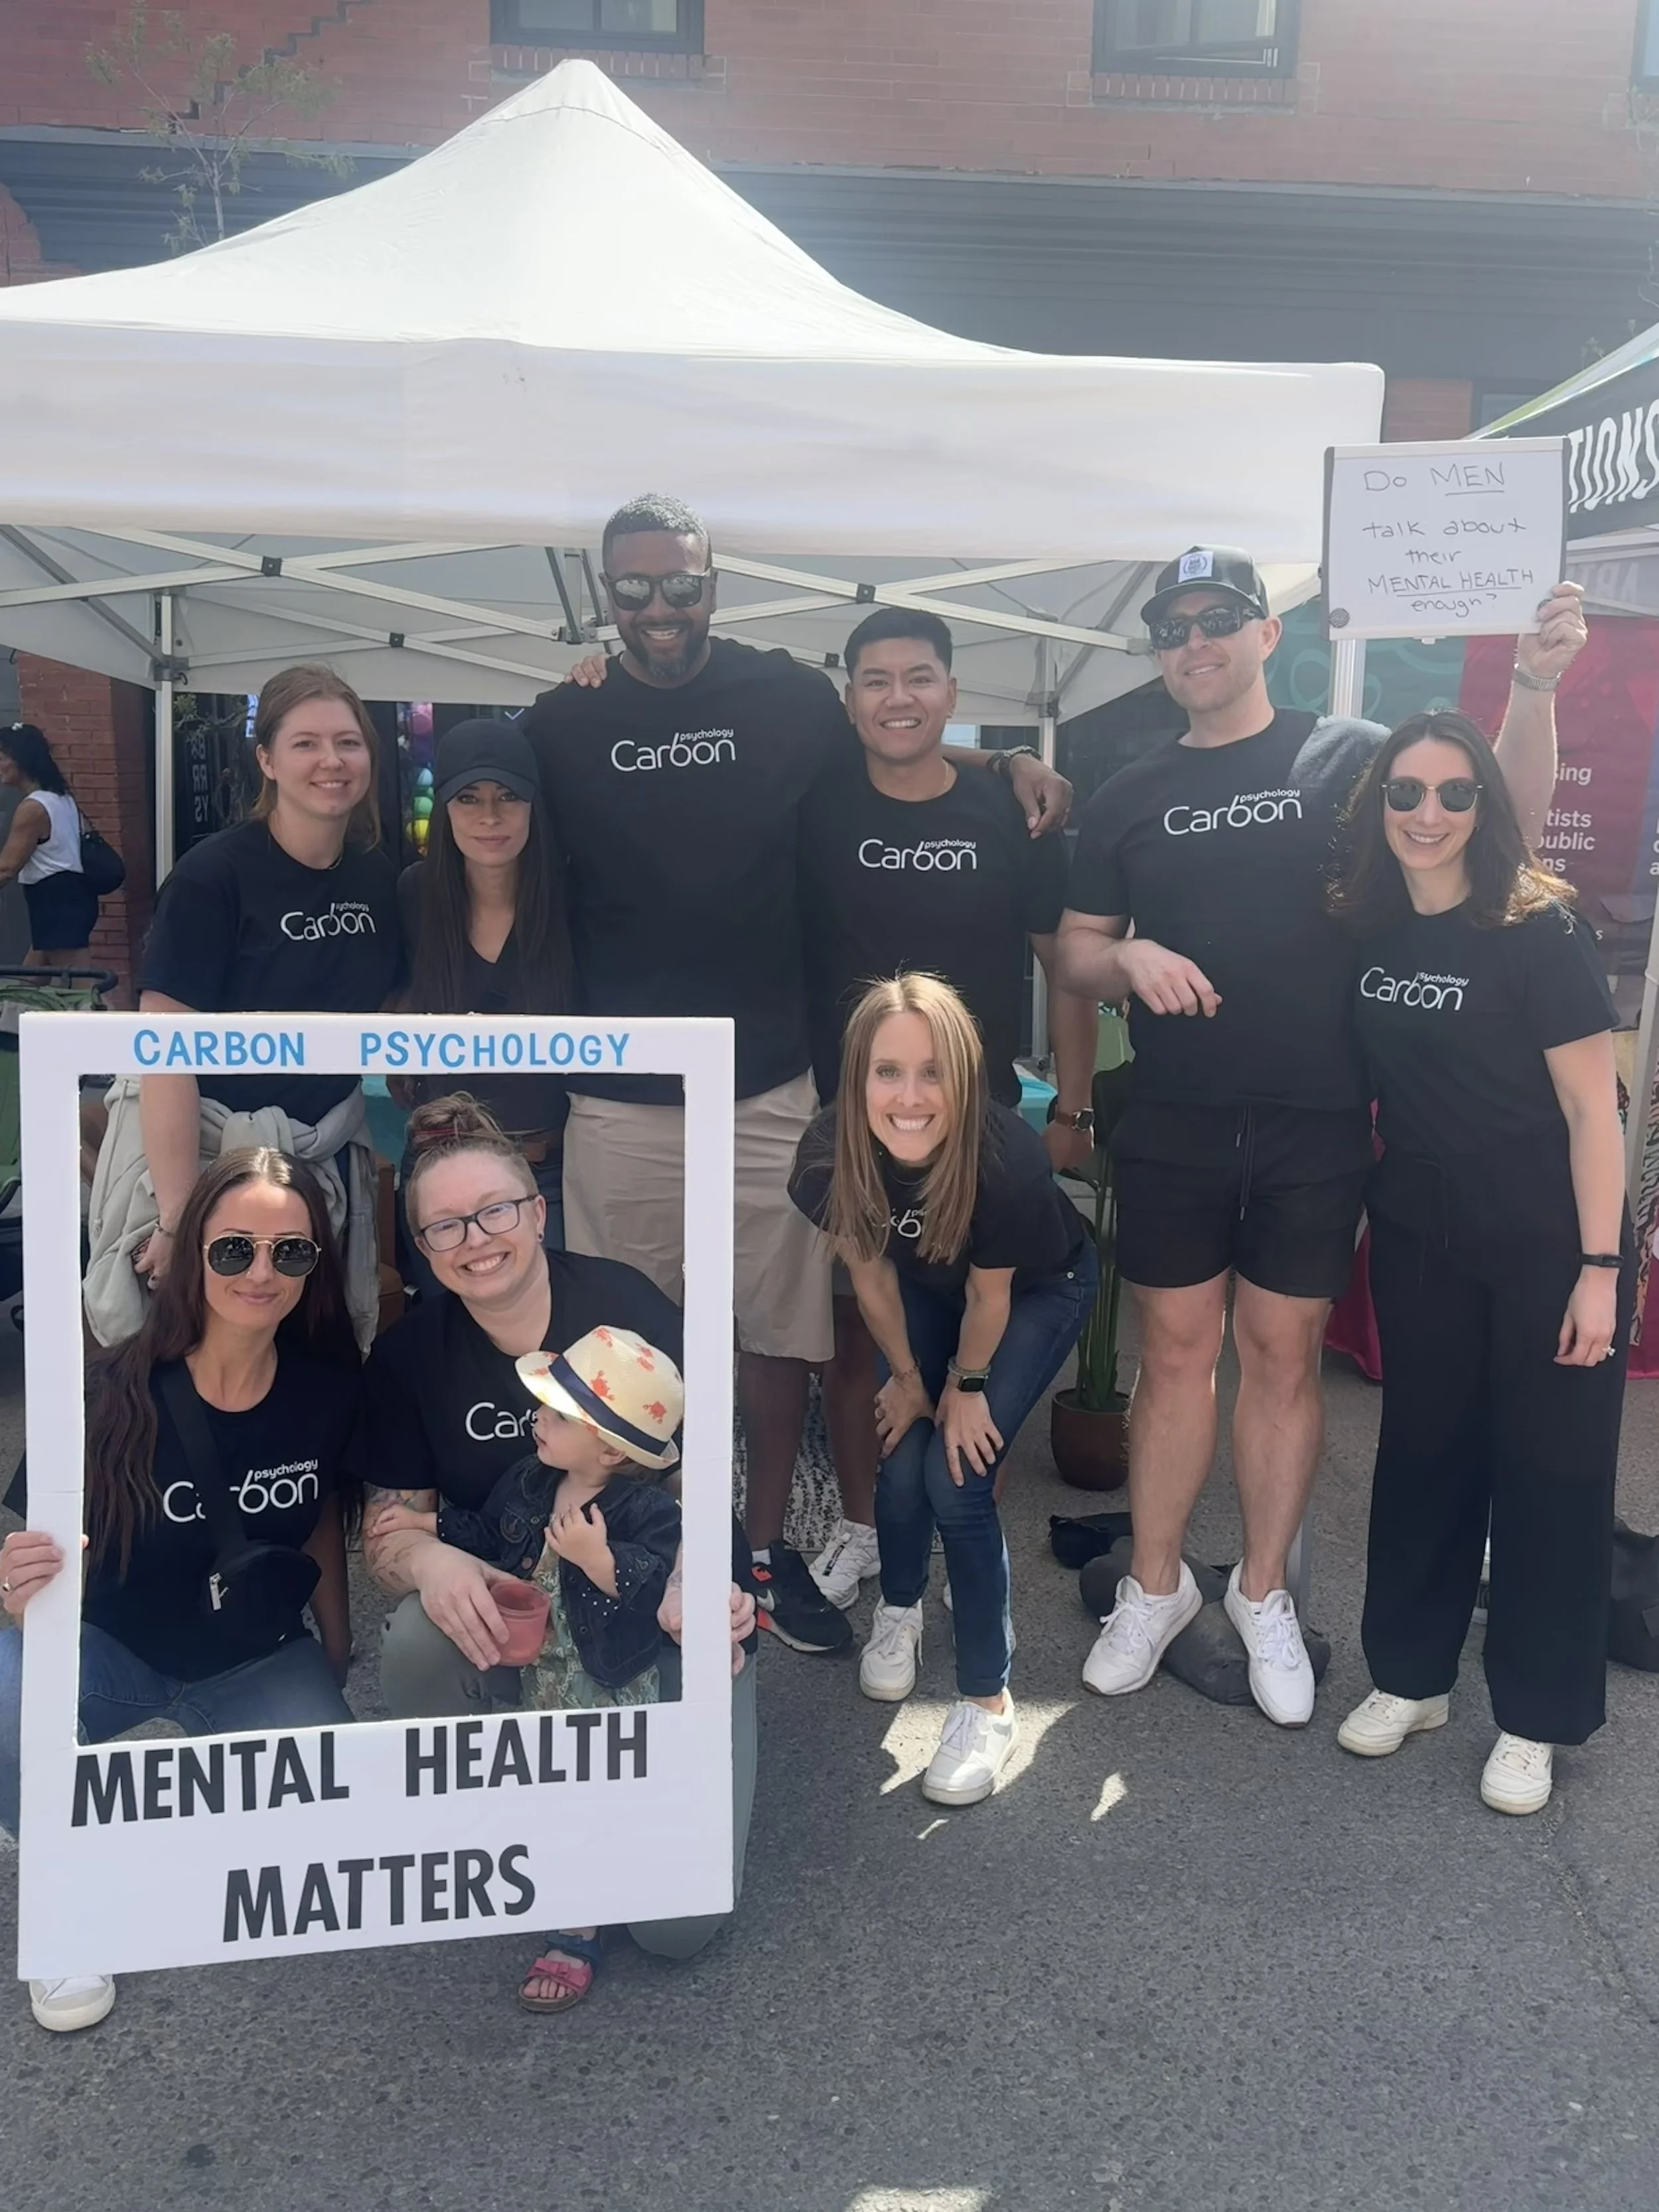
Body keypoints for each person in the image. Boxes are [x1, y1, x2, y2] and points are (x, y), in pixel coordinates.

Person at [522, 493, 1070, 1655]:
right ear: (601, 594)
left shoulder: (784, 696)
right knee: (623, 1340)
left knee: (779, 1340)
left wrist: (1008, 758)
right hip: (619, 1090)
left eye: (680, 583)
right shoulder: (559, 722)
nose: (659, 606)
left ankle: (761, 1560)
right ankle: (652, 1554)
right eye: (634, 587)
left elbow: (899, 742)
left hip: (770, 1082)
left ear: (715, 584)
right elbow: (498, 849)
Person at [1056, 547, 1585, 1726]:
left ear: (1263, 632)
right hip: (1181, 1116)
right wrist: (1124, 956)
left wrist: (1537, 690)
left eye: (1218, 619)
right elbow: (1078, 948)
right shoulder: (1128, 789)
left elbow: (1500, 824)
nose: (1194, 641)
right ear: (1157, 649)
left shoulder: (1347, 754)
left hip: (1319, 1118)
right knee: (1177, 1350)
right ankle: (1153, 1586)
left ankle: (1259, 1594)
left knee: (1284, 1357)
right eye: (1172, 625)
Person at [362, 1093, 757, 1962]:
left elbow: (704, 1460)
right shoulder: (409, 1355)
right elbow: (390, 1526)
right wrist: (430, 1562)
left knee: (675, 1927)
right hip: (527, 1621)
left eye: (495, 1209)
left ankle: (647, 1797)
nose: (476, 1239)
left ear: (538, 1211)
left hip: (659, 1610)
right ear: (421, 1249)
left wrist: (695, 1575)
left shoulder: (623, 1302)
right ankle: (504, 1817)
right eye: (445, 1227)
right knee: (413, 1640)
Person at [1325, 711, 1632, 1813]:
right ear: (1380, 805)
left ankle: (1536, 1716)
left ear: (1486, 807)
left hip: (1551, 1229)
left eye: (1455, 793)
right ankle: (1411, 1677)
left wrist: (1601, 1266)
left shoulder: (1534, 927)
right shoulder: (1367, 923)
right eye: (1405, 793)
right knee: (1424, 1454)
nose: (1429, 814)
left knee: (1550, 1474)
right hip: (1421, 1227)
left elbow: (1594, 1113)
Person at [0, 1147, 364, 2034]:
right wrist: (15, 1583)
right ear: (189, 1251)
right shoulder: (107, 1387)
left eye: (293, 1251)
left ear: (316, 1266)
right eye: (234, 1248)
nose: (262, 1271)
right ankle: (66, 1894)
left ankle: (122, 1816)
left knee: (330, 1840)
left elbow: (315, 1511)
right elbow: (18, 1535)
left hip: (252, 1658)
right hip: (111, 1650)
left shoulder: (329, 1390)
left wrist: (338, 1638)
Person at [799, 605, 1100, 1607]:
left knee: (981, 1333)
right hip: (861, 1124)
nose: (898, 697)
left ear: (954, 694)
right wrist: (1007, 755)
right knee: (865, 1338)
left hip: (979, 1126)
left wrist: (1079, 1108)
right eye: (876, 680)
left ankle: (956, 1541)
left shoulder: (1009, 817)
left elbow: (1064, 970)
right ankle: (867, 1536)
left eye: (919, 678)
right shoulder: (818, 802)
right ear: (849, 699)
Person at [789, 974, 1096, 1806]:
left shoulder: (1006, 1157)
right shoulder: (827, 1156)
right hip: (926, 1293)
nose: (911, 1096)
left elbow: (992, 1296)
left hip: (1034, 1290)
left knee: (956, 1477)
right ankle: (899, 1609)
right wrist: (906, 1380)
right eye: (887, 1072)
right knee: (900, 1453)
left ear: (965, 1075)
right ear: (857, 1079)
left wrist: (962, 1387)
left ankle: (986, 1702)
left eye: (933, 1073)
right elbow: (873, 1280)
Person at [84, 664, 401, 1350]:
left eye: (348, 743)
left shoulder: (379, 879)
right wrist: (178, 1216)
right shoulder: (212, 875)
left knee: (306, 1357)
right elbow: (165, 1049)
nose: (331, 761)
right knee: (183, 1359)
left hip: (317, 1160)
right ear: (267, 760)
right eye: (306, 743)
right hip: (202, 1154)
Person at [376, 1324, 684, 2008]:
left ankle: (579, 1925)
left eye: (555, 1414)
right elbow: (492, 1536)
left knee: (598, 1788)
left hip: (603, 1681)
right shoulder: (529, 1481)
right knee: (544, 1775)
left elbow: (647, 1588)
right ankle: (536, 1859)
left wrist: (598, 1560)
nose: (537, 1419)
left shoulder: (645, 1510)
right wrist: (432, 1529)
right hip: (537, 1667)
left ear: (608, 1448)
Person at [395, 718, 571, 1288]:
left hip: (550, 1176)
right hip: (440, 1167)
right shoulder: (413, 895)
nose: (489, 816)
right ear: (443, 808)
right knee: (447, 1342)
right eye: (468, 797)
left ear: (533, 806)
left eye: (508, 796)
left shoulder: (575, 900)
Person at [0, 721, 100, 969]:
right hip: (70, 898)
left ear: (22, 760)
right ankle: (15, 1009)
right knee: (30, 982)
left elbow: (7, 868)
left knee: (82, 987)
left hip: (55, 902)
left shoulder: (33, 808)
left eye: (1, 757)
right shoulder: (62, 799)